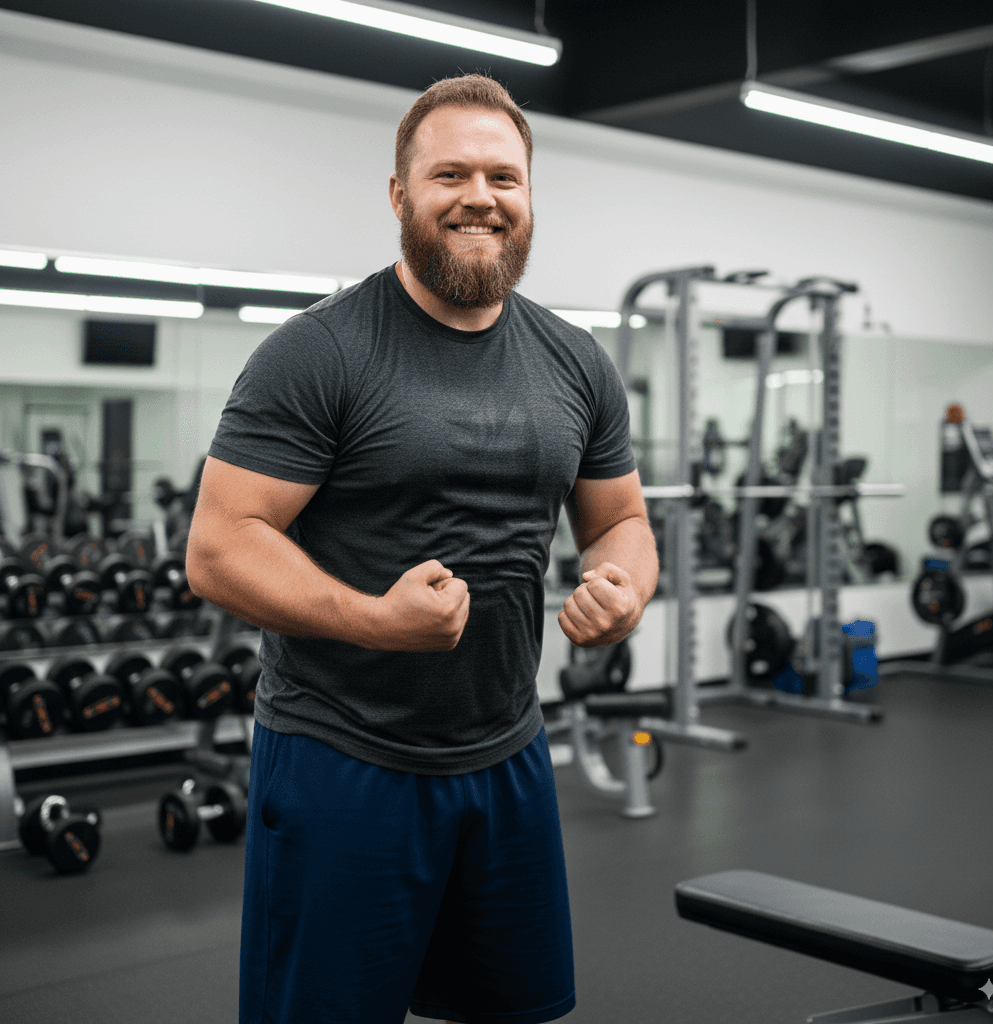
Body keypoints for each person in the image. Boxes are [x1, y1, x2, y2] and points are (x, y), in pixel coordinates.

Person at [186, 73, 659, 1024]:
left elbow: (621, 521)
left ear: (528, 199)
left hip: (507, 750)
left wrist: (624, 586)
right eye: (450, 174)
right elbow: (219, 546)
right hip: (342, 755)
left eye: (503, 178)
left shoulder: (575, 359)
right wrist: (374, 621)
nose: (480, 197)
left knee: (514, 1010)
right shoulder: (321, 351)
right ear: (400, 196)